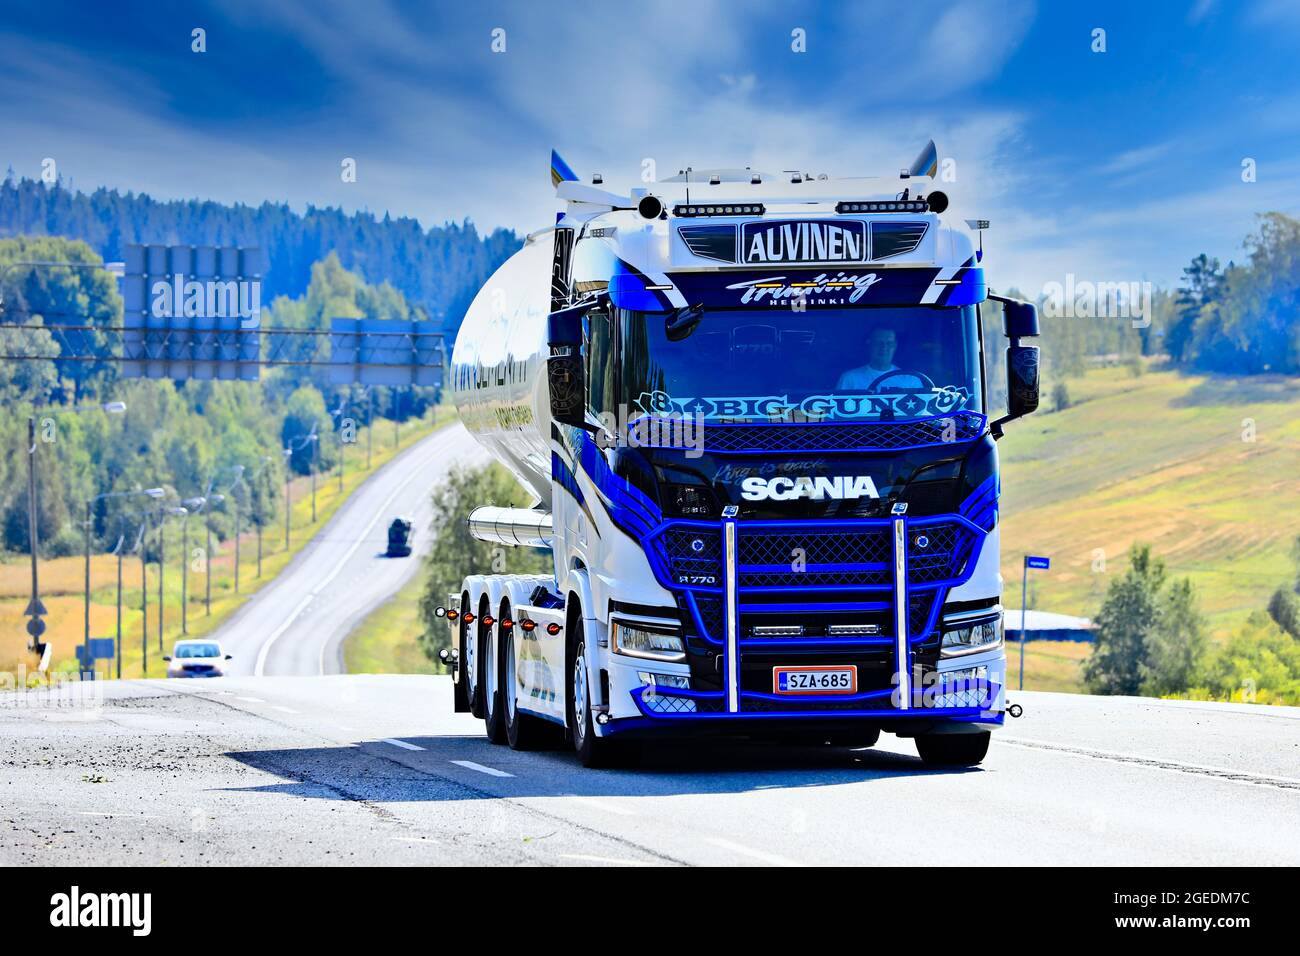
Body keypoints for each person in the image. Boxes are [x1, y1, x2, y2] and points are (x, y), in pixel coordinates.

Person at [837, 326, 915, 390]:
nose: (884, 348)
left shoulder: (911, 379)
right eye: (878, 343)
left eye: (889, 343)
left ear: (895, 346)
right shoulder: (850, 378)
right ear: (869, 345)